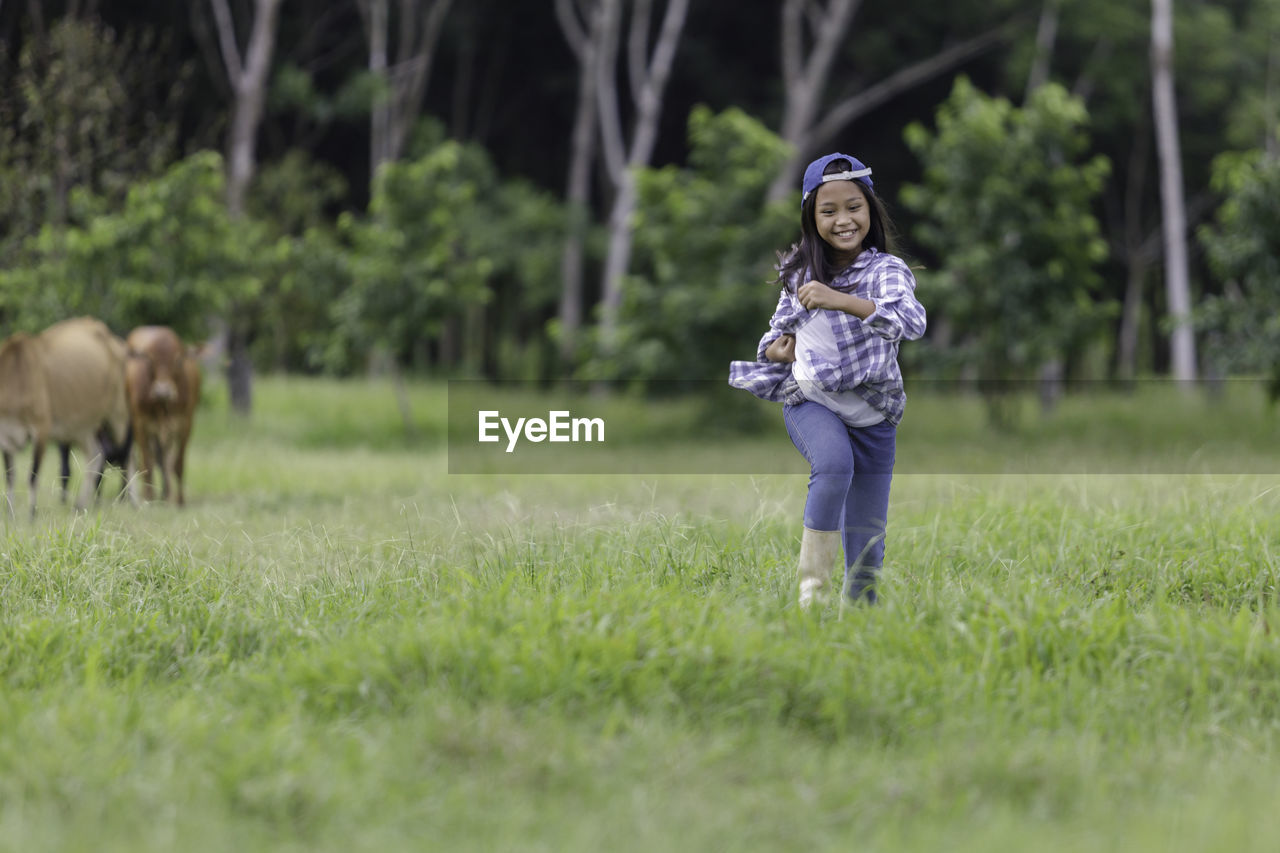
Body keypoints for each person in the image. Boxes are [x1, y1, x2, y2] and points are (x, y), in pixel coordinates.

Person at [729, 152, 926, 608]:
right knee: (834, 465)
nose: (843, 220)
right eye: (828, 210)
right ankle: (812, 597)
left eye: (853, 207)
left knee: (866, 536)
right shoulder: (799, 273)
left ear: (870, 211)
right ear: (811, 217)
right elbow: (776, 338)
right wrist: (777, 350)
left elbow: (910, 323)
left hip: (875, 412)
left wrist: (839, 299)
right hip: (812, 398)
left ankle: (861, 614)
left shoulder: (886, 271)